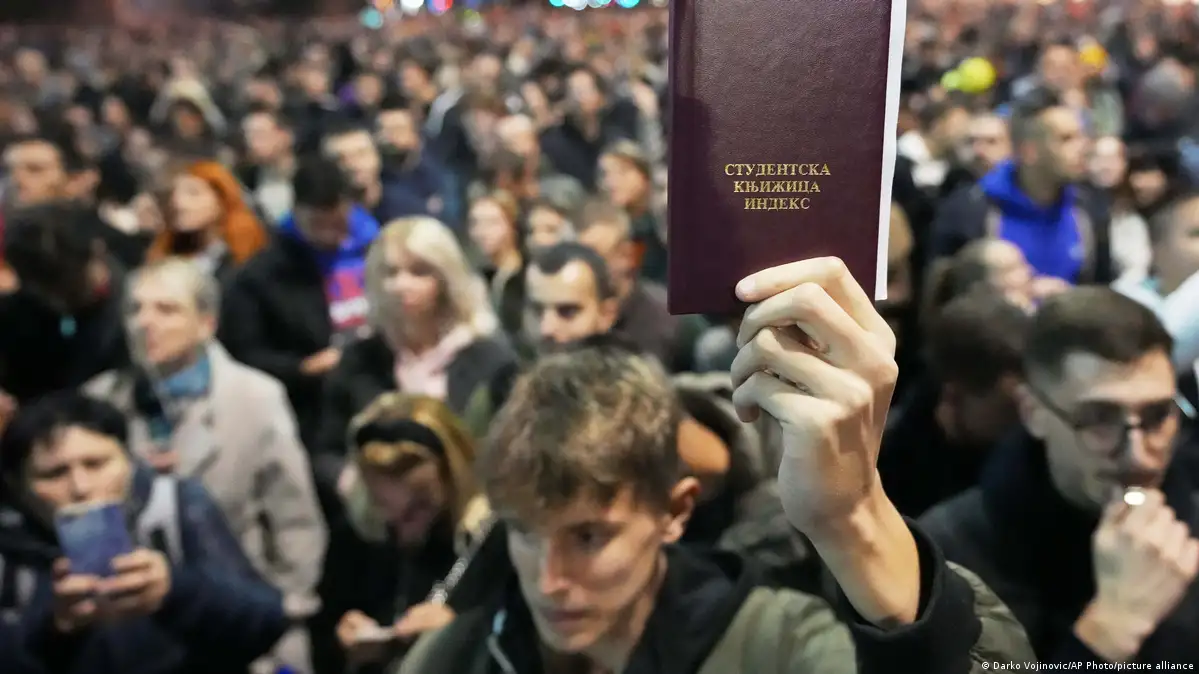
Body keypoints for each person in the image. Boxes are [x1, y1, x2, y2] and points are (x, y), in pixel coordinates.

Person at [399, 257, 1034, 674]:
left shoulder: (779, 645)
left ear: (676, 512)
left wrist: (854, 518)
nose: (548, 582)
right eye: (524, 534)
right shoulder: (453, 656)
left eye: (589, 536)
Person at [921, 287, 1199, 663]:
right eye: (1098, 418)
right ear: (1032, 412)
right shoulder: (948, 556)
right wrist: (1113, 627)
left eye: (1156, 415)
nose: (1137, 454)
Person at [84, 257, 327, 673]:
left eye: (166, 310)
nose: (145, 323)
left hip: (240, 615)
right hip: (137, 632)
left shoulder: (254, 397)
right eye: (136, 309)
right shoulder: (101, 400)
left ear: (205, 323)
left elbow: (296, 521)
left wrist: (284, 610)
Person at [0, 391, 288, 673]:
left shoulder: (174, 505)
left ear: (128, 462)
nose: (81, 487)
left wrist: (174, 591)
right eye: (54, 474)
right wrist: (54, 629)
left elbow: (264, 620)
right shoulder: (11, 548)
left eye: (96, 464)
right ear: (18, 486)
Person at [311, 216, 515, 509]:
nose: (401, 285)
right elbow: (326, 451)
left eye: (419, 272)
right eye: (391, 272)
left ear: (446, 278)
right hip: (381, 522)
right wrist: (354, 486)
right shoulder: (359, 360)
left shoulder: (490, 359)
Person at [316, 393, 504, 674]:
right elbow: (321, 639)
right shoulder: (357, 541)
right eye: (385, 506)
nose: (406, 530)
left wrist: (458, 633)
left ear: (454, 478)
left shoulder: (496, 541)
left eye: (419, 507)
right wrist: (344, 645)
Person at [220, 156, 380, 449]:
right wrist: (302, 368)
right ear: (296, 212)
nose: (330, 235)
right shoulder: (261, 276)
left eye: (338, 223)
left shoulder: (375, 249)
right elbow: (244, 353)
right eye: (318, 224)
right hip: (311, 413)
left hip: (374, 385)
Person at [932, 88, 1115, 285]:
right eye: (1066, 139)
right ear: (1029, 151)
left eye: (1082, 136)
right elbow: (947, 292)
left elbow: (1101, 288)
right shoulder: (970, 210)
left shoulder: (1089, 208)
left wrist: (1071, 299)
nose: (1083, 148)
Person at [880, 291, 1030, 517]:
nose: (1029, 416)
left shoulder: (1029, 460)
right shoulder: (884, 470)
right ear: (952, 397)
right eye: (1012, 406)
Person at [0, 201, 131, 403]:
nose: (56, 296)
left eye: (64, 282)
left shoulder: (131, 314)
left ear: (97, 249)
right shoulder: (19, 312)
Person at [145, 160, 269, 279]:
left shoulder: (249, 253)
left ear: (222, 200)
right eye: (175, 195)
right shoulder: (167, 249)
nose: (179, 203)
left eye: (193, 193)